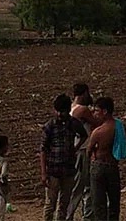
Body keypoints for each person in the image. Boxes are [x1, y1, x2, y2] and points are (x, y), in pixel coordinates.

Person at [41, 93, 89, 221]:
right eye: (58, 111)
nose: (59, 114)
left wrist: (75, 148)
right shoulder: (50, 126)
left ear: (68, 110)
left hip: (68, 170)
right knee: (50, 205)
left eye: (62, 111)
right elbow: (43, 150)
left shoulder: (74, 123)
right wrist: (44, 173)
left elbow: (84, 135)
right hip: (53, 171)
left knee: (64, 204)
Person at [69, 83, 101, 221]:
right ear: (83, 94)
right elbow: (97, 122)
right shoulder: (82, 110)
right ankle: (76, 215)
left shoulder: (71, 107)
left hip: (77, 150)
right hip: (83, 151)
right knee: (83, 186)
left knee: (81, 184)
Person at [86, 96, 121, 221]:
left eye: (97, 111)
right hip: (113, 165)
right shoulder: (119, 127)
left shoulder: (98, 132)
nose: (95, 114)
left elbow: (89, 150)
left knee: (99, 204)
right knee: (114, 203)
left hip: (99, 165)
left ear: (104, 111)